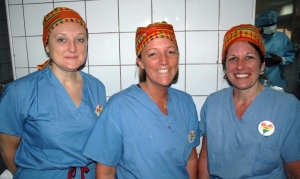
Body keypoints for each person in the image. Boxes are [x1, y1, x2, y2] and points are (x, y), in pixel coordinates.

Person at [82, 21, 200, 179]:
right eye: (153, 54)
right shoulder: (119, 106)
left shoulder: (186, 103)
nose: (164, 60)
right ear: (140, 63)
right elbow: (106, 172)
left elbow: (191, 159)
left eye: (170, 52)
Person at [0, 7, 106, 179]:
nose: (72, 48)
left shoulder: (97, 87)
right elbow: (7, 150)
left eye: (79, 39)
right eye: (62, 39)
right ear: (47, 45)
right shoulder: (20, 91)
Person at [198, 24, 300, 179]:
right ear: (225, 68)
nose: (240, 66)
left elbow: (294, 169)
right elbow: (205, 158)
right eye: (233, 59)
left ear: (262, 65)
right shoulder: (213, 104)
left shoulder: (287, 107)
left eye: (249, 57)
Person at [256, 10, 295, 90]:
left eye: (273, 24)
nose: (271, 27)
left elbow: (290, 56)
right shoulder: (256, 38)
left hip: (277, 80)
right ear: (261, 26)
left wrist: (281, 60)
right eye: (268, 25)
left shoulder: (283, 38)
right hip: (258, 79)